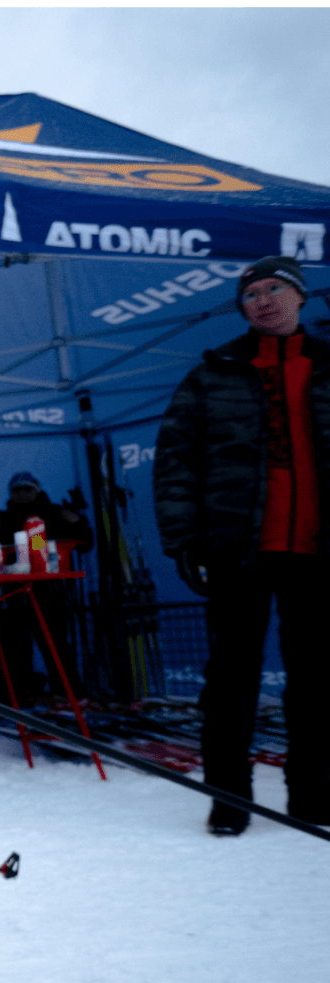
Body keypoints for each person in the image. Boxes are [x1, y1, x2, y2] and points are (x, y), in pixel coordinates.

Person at [154, 255, 327, 836]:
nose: (263, 299)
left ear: (302, 297)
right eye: (251, 293)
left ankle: (313, 797)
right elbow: (175, 462)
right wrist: (183, 540)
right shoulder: (212, 374)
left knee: (317, 681)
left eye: (275, 288)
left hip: (317, 553)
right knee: (230, 683)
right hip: (237, 551)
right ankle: (230, 801)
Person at [0, 471, 90, 701]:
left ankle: (67, 692)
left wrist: (78, 521)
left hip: (48, 591)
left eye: (28, 489)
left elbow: (85, 543)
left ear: (37, 490)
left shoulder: (53, 513)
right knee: (15, 649)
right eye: (17, 490)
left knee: (56, 645)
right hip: (12, 593)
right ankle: (19, 696)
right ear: (10, 493)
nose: (23, 494)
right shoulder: (3, 516)